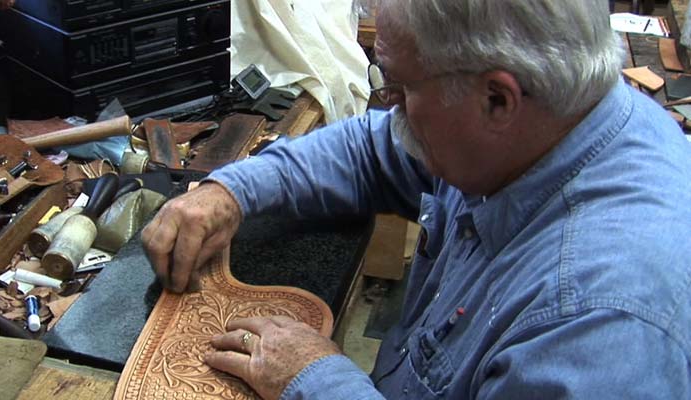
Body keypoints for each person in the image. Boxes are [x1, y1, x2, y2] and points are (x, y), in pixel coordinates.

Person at [142, 0, 691, 398]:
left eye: (401, 92)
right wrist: (231, 191)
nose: (391, 110)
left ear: (498, 98)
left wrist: (318, 380)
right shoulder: (548, 117)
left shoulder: (598, 327)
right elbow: (372, 147)